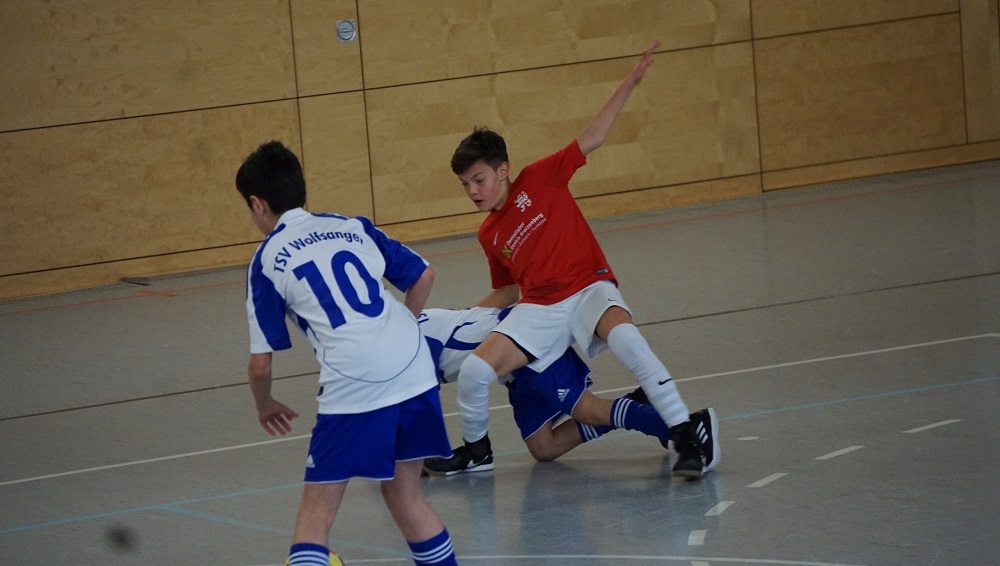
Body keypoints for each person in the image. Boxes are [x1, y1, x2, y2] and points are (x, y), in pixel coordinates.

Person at [445, 40, 717, 479]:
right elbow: (508, 289)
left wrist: (631, 82)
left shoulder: (541, 177)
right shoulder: (489, 233)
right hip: (540, 308)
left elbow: (593, 137)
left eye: (478, 179)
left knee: (629, 343)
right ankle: (477, 452)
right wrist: (464, 318)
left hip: (589, 288)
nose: (473, 191)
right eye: (465, 184)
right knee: (476, 370)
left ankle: (686, 436)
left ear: (503, 170)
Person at [236, 141, 459, 566]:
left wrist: (265, 405)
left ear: (257, 204)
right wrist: (401, 335)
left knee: (316, 513)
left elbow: (260, 366)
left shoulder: (266, 260)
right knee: (405, 495)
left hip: (357, 380)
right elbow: (424, 275)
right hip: (415, 367)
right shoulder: (350, 225)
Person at [418, 306, 719, 472]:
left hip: (527, 348)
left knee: (588, 411)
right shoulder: (415, 326)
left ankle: (688, 429)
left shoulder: (415, 339)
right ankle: (637, 404)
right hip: (511, 368)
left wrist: (409, 458)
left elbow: (420, 404)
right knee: (544, 448)